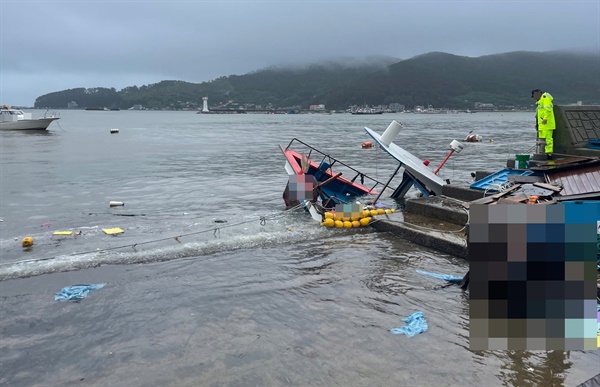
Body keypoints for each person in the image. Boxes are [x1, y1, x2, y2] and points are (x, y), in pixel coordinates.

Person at [531, 89, 556, 157]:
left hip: (547, 124)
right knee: (542, 140)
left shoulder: (545, 98)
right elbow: (538, 114)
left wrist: (545, 118)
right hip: (542, 125)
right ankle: (542, 153)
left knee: (548, 139)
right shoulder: (540, 101)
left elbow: (548, 109)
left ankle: (549, 154)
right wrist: (537, 124)